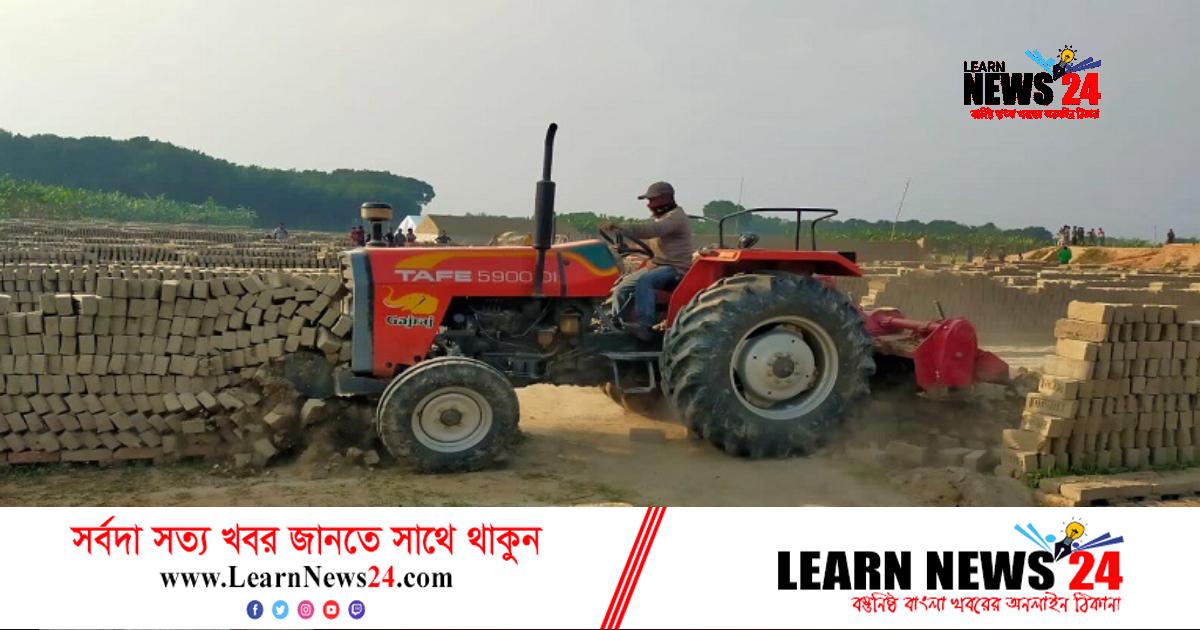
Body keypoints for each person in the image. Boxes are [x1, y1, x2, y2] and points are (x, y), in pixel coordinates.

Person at [602, 181, 694, 340]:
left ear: (665, 198)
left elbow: (652, 230)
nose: (649, 205)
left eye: (652, 200)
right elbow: (649, 242)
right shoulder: (658, 218)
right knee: (621, 288)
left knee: (645, 281)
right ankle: (618, 326)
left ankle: (644, 325)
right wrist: (627, 247)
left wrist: (622, 227)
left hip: (675, 267)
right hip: (657, 265)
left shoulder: (676, 217)